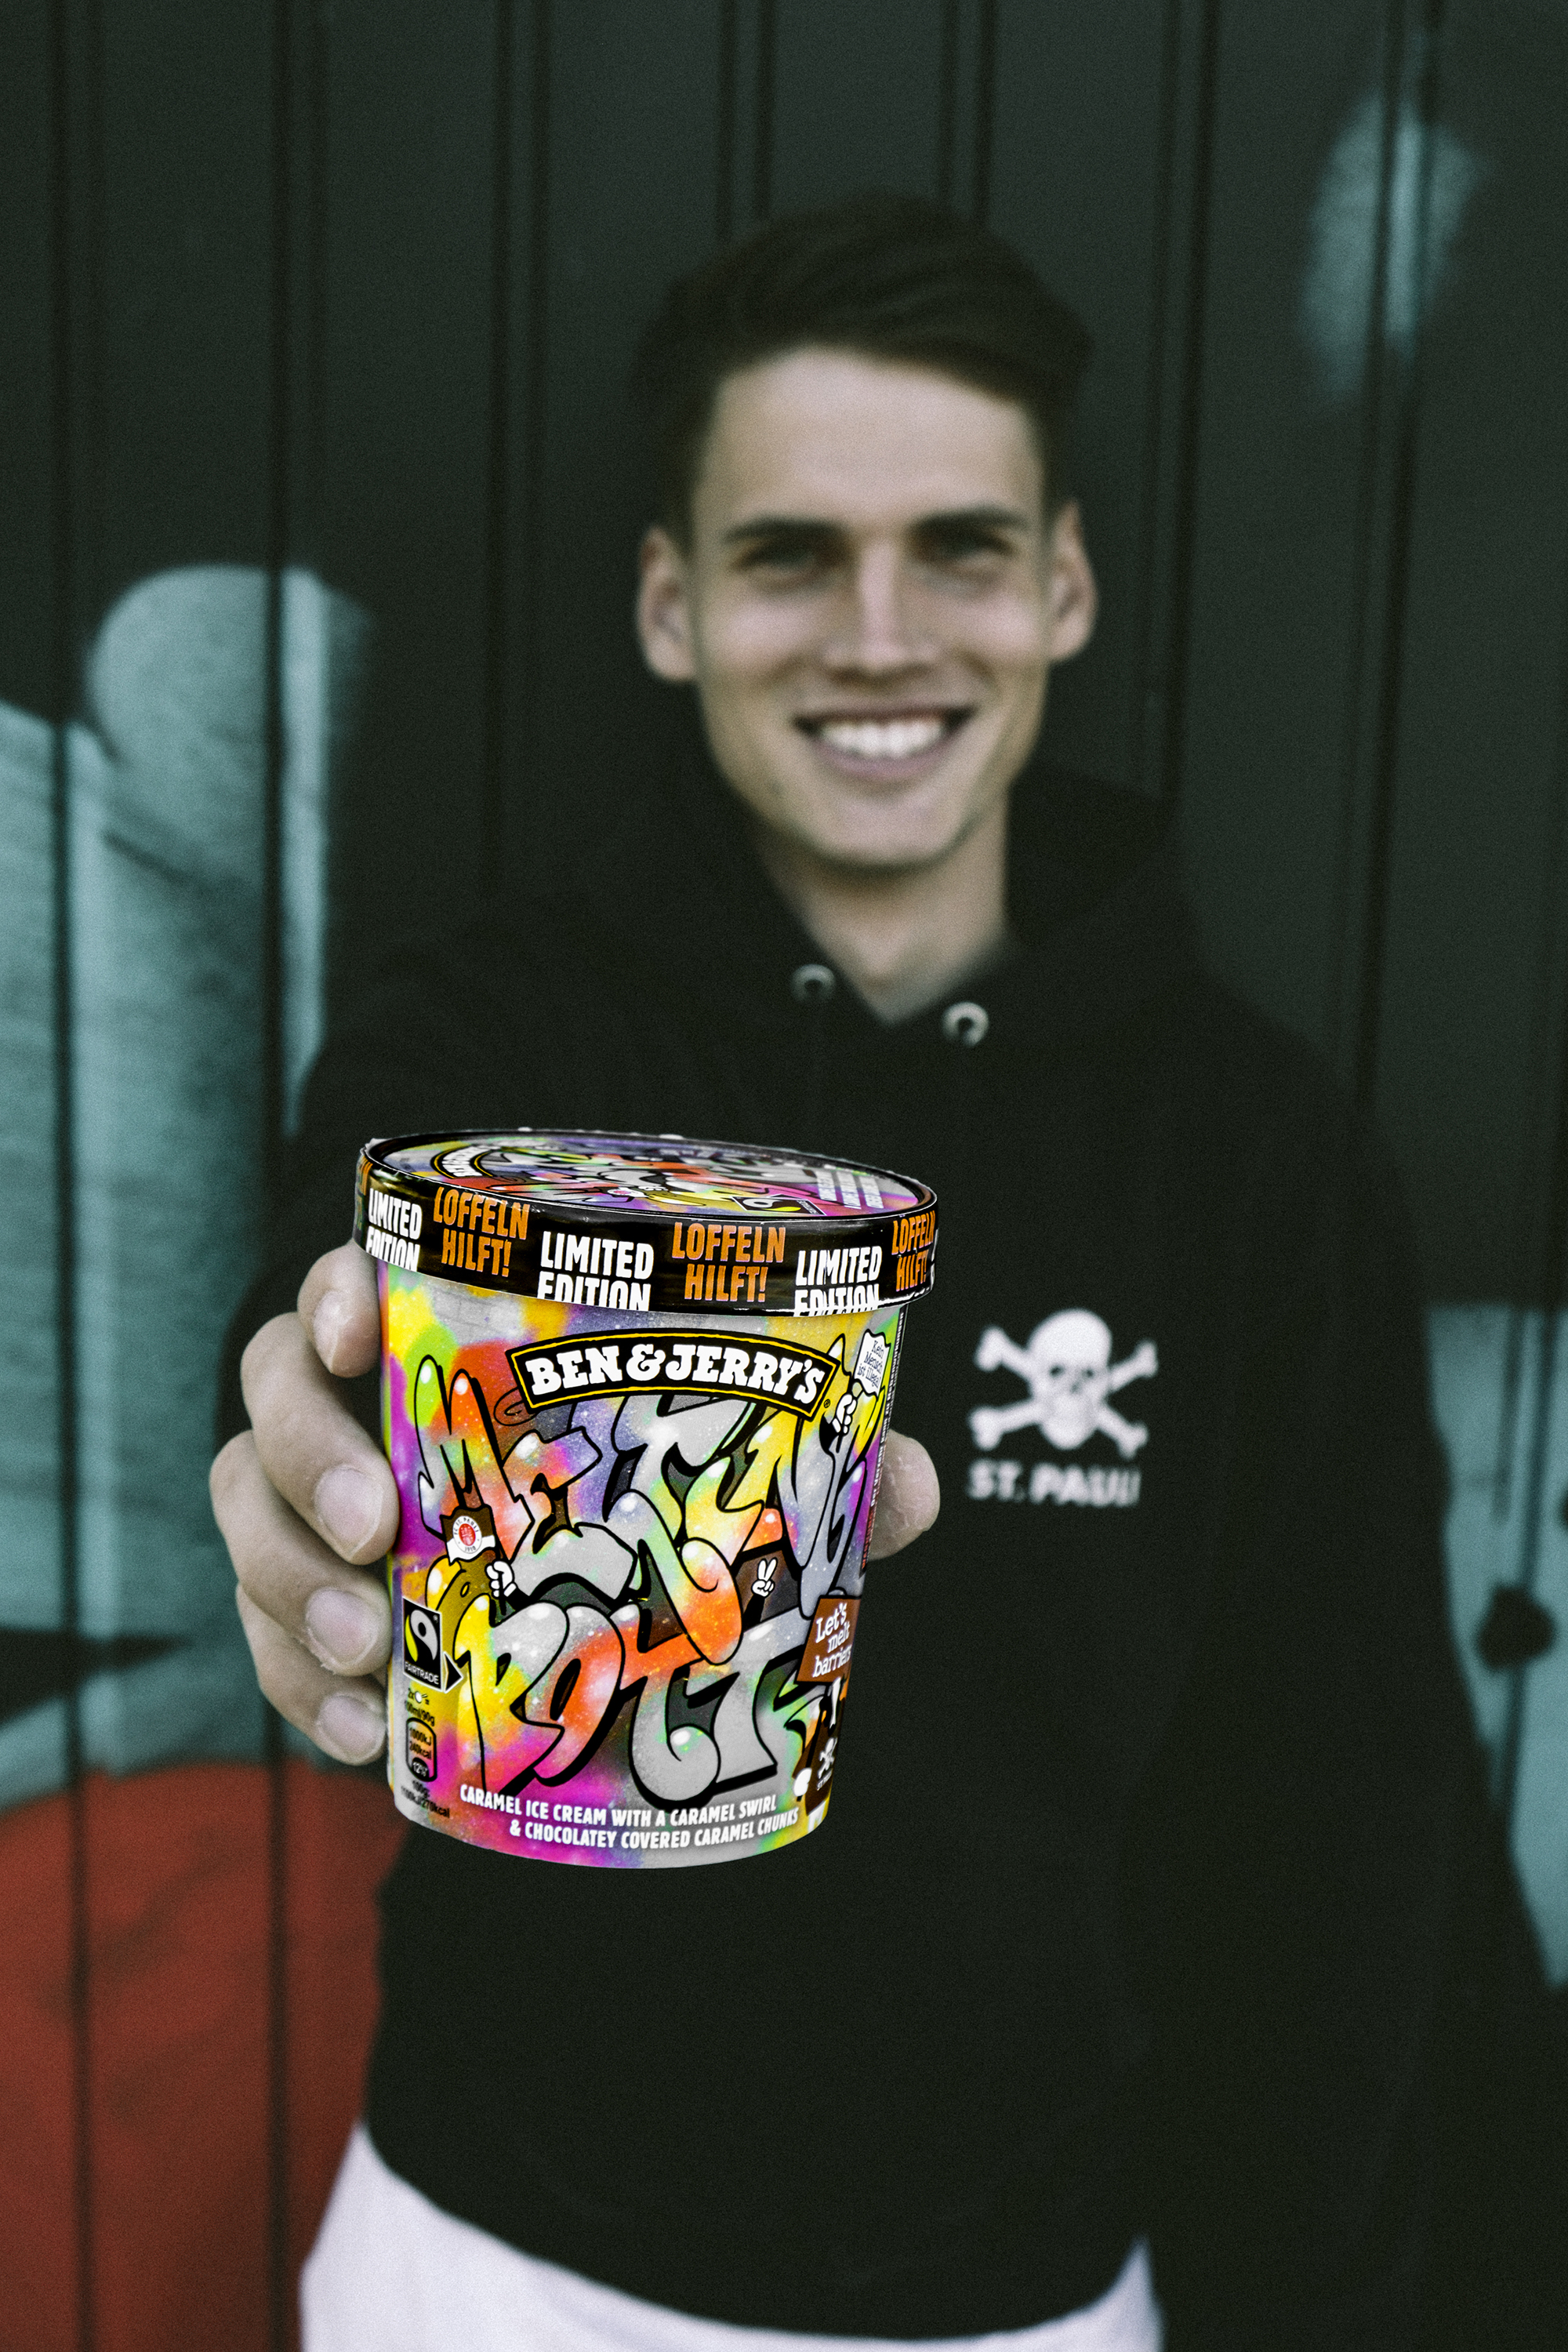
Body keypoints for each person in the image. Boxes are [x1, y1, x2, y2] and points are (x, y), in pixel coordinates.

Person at [212, 194, 1492, 2350]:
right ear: (672, 604)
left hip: (1029, 2296)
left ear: (1064, 586)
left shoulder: (1256, 1153)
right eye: (791, 554)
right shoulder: (488, 1042)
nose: (881, 636)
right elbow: (317, 1310)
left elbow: (1338, 1826)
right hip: (487, 2253)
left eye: (960, 550)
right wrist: (309, 1459)